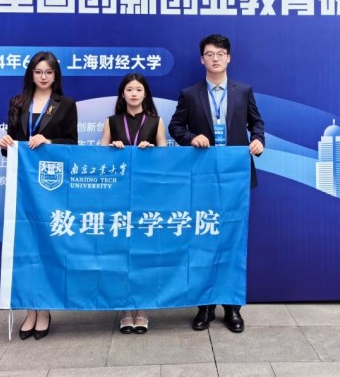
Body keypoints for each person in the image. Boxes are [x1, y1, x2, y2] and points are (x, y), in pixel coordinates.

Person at [168, 34, 264, 334]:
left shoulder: (243, 91)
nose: (215, 58)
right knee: (203, 239)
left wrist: (258, 139)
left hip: (235, 177)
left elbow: (256, 123)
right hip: (203, 177)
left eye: (221, 53)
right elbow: (175, 127)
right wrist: (190, 137)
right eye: (210, 54)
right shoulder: (189, 93)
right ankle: (205, 306)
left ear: (229, 58)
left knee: (232, 241)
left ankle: (232, 307)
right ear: (202, 59)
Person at [0, 50, 78, 340]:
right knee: (25, 247)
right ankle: (29, 310)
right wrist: (5, 145)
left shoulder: (66, 104)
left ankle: (43, 309)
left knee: (46, 245)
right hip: (23, 186)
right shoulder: (17, 102)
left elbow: (72, 144)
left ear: (56, 75)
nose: (43, 77)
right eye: (38, 72)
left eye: (49, 72)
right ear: (30, 74)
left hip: (51, 188)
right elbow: (12, 147)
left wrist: (49, 140)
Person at [99, 73, 167, 334]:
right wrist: (110, 150)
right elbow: (97, 158)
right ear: (123, 94)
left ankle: (142, 308)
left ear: (145, 93)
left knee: (144, 253)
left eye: (139, 89)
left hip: (147, 197)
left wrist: (153, 152)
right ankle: (126, 309)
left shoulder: (156, 122)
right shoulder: (112, 121)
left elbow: (166, 161)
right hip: (117, 197)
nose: (134, 93)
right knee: (121, 253)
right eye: (129, 89)